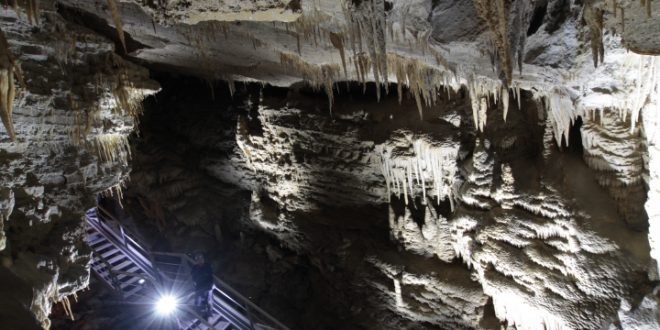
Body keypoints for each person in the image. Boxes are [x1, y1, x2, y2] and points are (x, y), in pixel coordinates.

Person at [190, 253, 213, 318]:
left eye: (200, 259)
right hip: (199, 286)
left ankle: (208, 314)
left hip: (207, 286)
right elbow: (193, 276)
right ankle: (197, 313)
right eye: (197, 259)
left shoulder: (207, 266)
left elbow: (209, 276)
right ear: (196, 260)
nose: (199, 260)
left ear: (203, 259)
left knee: (207, 301)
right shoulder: (194, 267)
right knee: (197, 300)